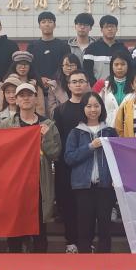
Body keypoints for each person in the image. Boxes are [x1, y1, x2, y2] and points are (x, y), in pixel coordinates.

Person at [0, 83, 61, 253]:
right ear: (16, 100)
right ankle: (14, 263)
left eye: (29, 95)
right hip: (16, 184)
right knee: (15, 228)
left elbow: (55, 153)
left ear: (36, 99)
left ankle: (39, 265)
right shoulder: (7, 125)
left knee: (39, 229)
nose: (26, 98)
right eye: (22, 95)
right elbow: (1, 155)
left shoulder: (48, 124)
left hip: (39, 183)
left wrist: (45, 138)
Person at [64, 92, 118, 253]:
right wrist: (90, 147)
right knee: (84, 227)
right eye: (89, 106)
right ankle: (85, 261)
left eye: (96, 106)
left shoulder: (110, 131)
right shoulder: (76, 132)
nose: (93, 110)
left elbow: (117, 158)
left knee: (105, 227)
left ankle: (105, 261)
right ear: (83, 108)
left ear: (102, 108)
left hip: (105, 186)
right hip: (83, 187)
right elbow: (69, 158)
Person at [53, 70, 91, 253]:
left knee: (87, 206)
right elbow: (57, 139)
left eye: (81, 81)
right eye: (74, 81)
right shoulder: (60, 110)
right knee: (68, 204)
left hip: (88, 163)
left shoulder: (92, 108)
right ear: (68, 86)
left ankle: (86, 242)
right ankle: (71, 242)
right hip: (66, 165)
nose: (78, 84)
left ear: (87, 84)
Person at [27, 11, 72, 89]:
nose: (47, 24)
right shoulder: (32, 46)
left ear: (54, 25)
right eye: (43, 22)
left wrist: (54, 79)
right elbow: (30, 66)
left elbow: (67, 66)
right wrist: (39, 78)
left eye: (50, 22)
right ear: (39, 26)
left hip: (59, 86)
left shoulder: (63, 46)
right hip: (38, 86)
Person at [92, 50, 134, 128]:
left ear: (128, 66)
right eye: (116, 64)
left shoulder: (135, 85)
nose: (119, 67)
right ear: (111, 66)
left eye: (123, 64)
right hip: (107, 128)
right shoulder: (102, 84)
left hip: (130, 128)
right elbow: (92, 106)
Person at [84, 15, 130, 85]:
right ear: (101, 29)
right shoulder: (91, 49)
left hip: (119, 87)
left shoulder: (123, 49)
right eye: (106, 27)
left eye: (112, 26)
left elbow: (129, 69)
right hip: (97, 88)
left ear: (116, 29)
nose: (110, 29)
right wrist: (96, 86)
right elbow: (87, 72)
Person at [46, 53, 82, 117]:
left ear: (77, 66)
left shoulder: (84, 83)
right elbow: (51, 109)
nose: (69, 68)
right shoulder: (54, 84)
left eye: (72, 65)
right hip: (61, 118)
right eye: (66, 65)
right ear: (61, 66)